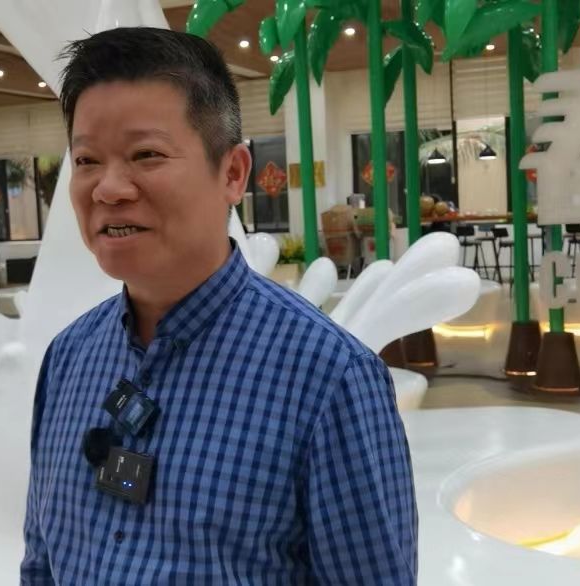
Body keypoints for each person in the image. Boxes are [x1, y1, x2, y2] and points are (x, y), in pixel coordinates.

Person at [21, 27, 417, 585]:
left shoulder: (328, 378)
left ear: (232, 173)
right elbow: (40, 564)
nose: (108, 189)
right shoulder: (68, 358)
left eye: (145, 155)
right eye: (86, 160)